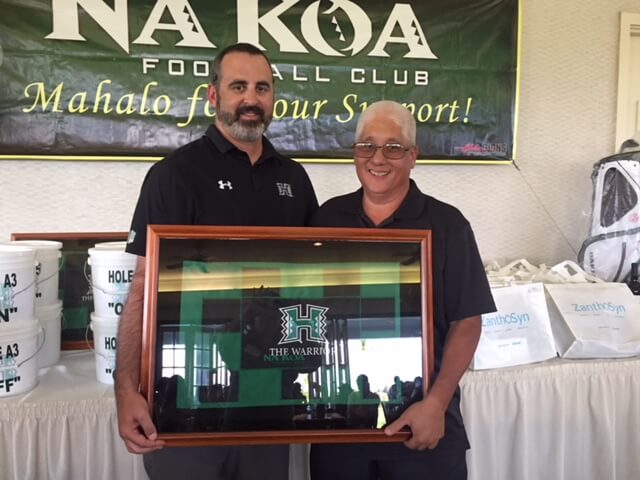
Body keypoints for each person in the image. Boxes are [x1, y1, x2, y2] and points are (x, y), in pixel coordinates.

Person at [114, 42, 318, 480]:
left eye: (262, 88)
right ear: (213, 95)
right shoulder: (174, 175)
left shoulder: (295, 179)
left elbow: (310, 286)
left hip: (269, 401)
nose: (251, 99)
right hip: (188, 399)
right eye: (238, 86)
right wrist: (125, 388)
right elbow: (143, 290)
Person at [309, 100, 495, 480]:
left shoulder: (448, 224)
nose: (378, 158)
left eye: (393, 147)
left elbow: (467, 321)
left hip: (424, 431)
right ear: (355, 152)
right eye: (367, 145)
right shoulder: (326, 219)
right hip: (339, 432)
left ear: (413, 156)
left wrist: (436, 403)